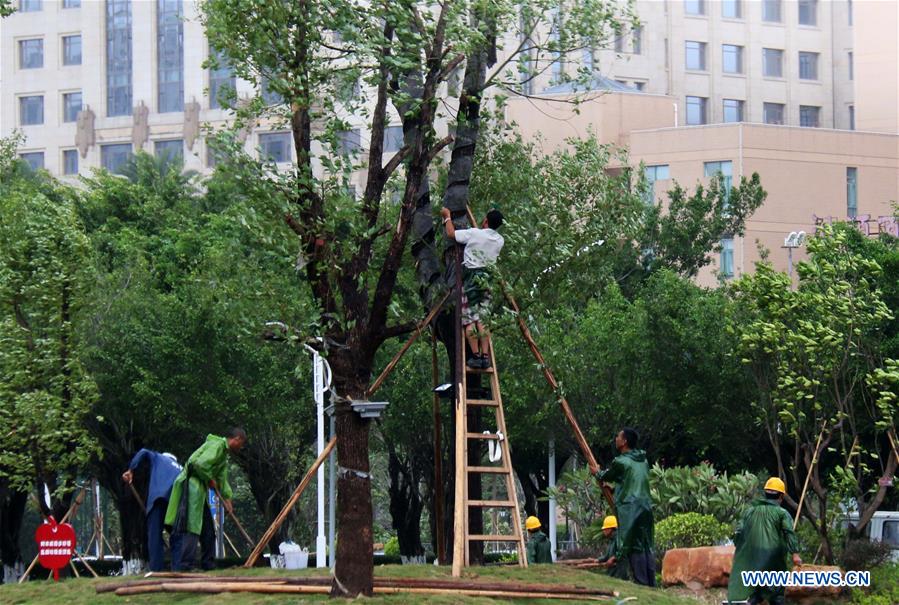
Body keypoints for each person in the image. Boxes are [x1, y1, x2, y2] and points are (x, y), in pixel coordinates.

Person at [165, 428, 247, 571]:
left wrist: (227, 498)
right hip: (192, 487)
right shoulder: (216, 446)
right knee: (192, 527)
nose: (241, 447)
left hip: (200, 490)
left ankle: (208, 564)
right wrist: (209, 479)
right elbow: (199, 464)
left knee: (208, 528)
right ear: (237, 439)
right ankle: (185, 565)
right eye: (242, 444)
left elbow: (221, 478)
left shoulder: (223, 454)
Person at [440, 206, 504, 369]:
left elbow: (451, 234)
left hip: (471, 280)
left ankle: (475, 355)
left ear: (486, 221)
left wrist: (447, 217)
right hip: (488, 281)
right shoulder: (499, 240)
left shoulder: (474, 233)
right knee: (482, 320)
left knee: (469, 319)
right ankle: (484, 355)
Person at [595, 427, 656, 586]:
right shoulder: (643, 460)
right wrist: (615, 489)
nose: (615, 439)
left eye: (618, 436)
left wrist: (596, 472)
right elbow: (633, 482)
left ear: (624, 441)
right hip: (646, 507)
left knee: (633, 544)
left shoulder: (620, 461)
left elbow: (605, 475)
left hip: (630, 507)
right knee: (646, 544)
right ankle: (652, 585)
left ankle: (642, 586)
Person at [726, 478, 802, 605]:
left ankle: (753, 600)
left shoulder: (749, 511)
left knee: (756, 587)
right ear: (781, 496)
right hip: (773, 557)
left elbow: (738, 531)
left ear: (765, 493)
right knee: (776, 591)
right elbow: (789, 533)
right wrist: (795, 553)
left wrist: (740, 549)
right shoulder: (782, 513)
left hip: (753, 556)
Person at [122, 449, 182, 571]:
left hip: (158, 498)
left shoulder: (158, 457)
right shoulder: (182, 468)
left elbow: (143, 451)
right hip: (176, 502)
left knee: (154, 534)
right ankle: (178, 570)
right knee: (177, 536)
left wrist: (131, 469)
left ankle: (157, 570)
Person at [596, 515, 629, 580]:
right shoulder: (611, 540)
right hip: (612, 573)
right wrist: (598, 560)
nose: (603, 531)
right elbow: (607, 556)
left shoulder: (619, 539)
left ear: (611, 529)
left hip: (619, 573)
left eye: (605, 529)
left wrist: (613, 558)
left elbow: (622, 551)